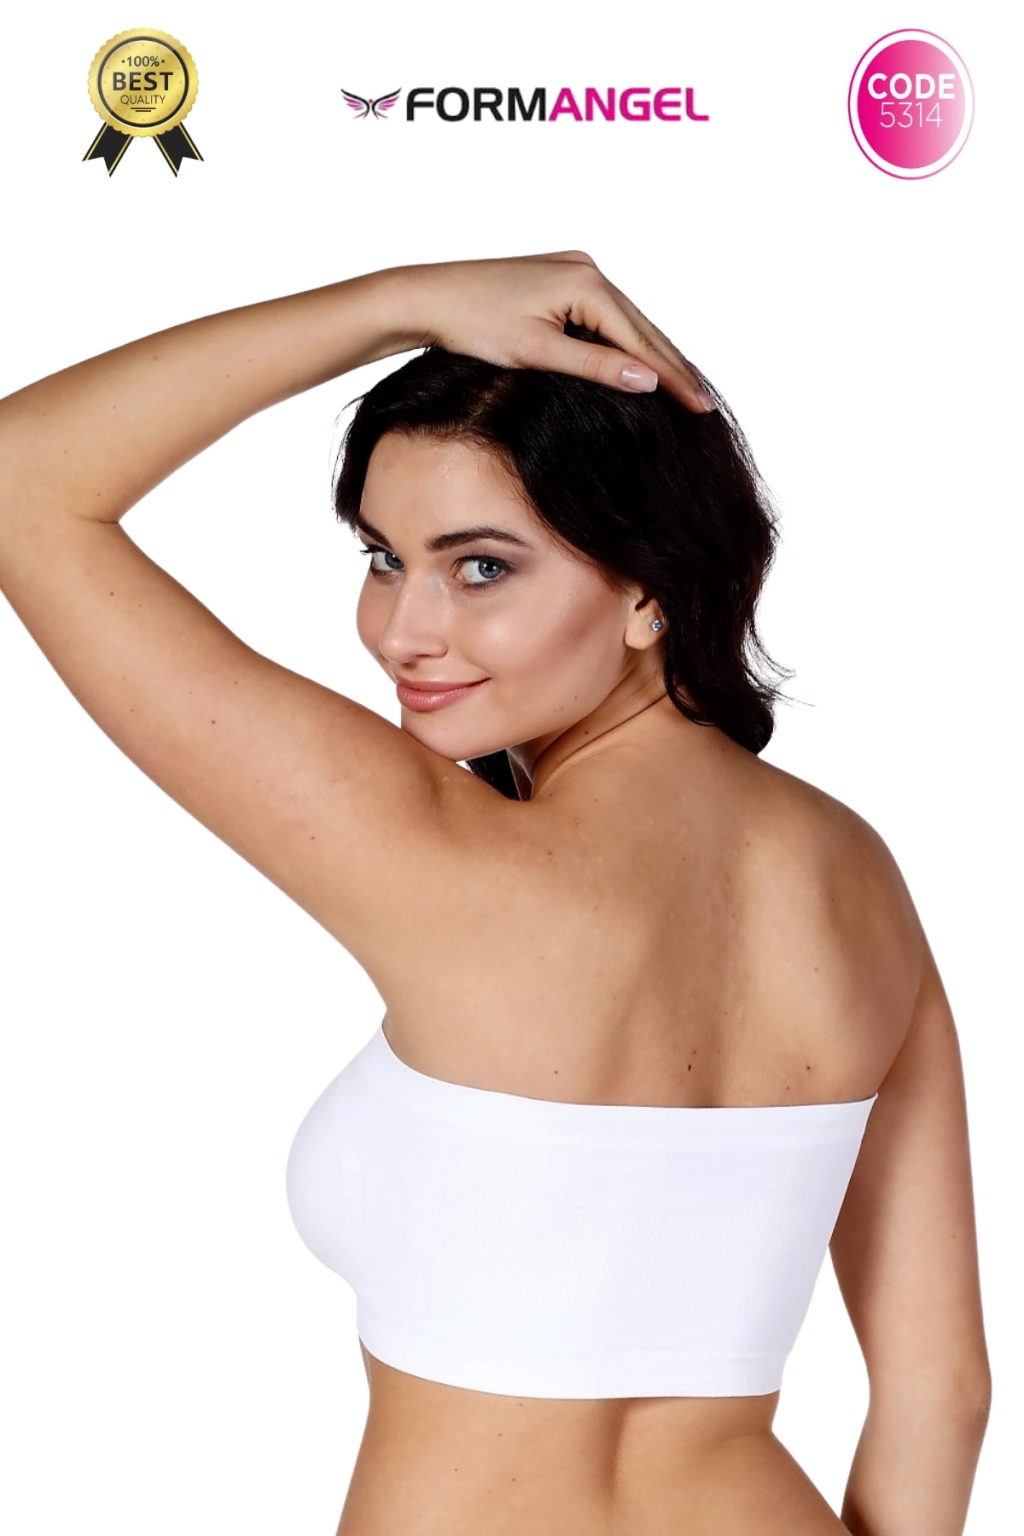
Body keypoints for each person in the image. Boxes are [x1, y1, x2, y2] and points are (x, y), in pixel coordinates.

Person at [0, 250, 991, 1536]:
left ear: (648, 590)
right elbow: (941, 1393)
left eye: (480, 568)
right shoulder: (859, 877)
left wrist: (395, 304)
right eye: (382, 557)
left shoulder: (435, 854)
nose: (403, 631)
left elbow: (22, 478)